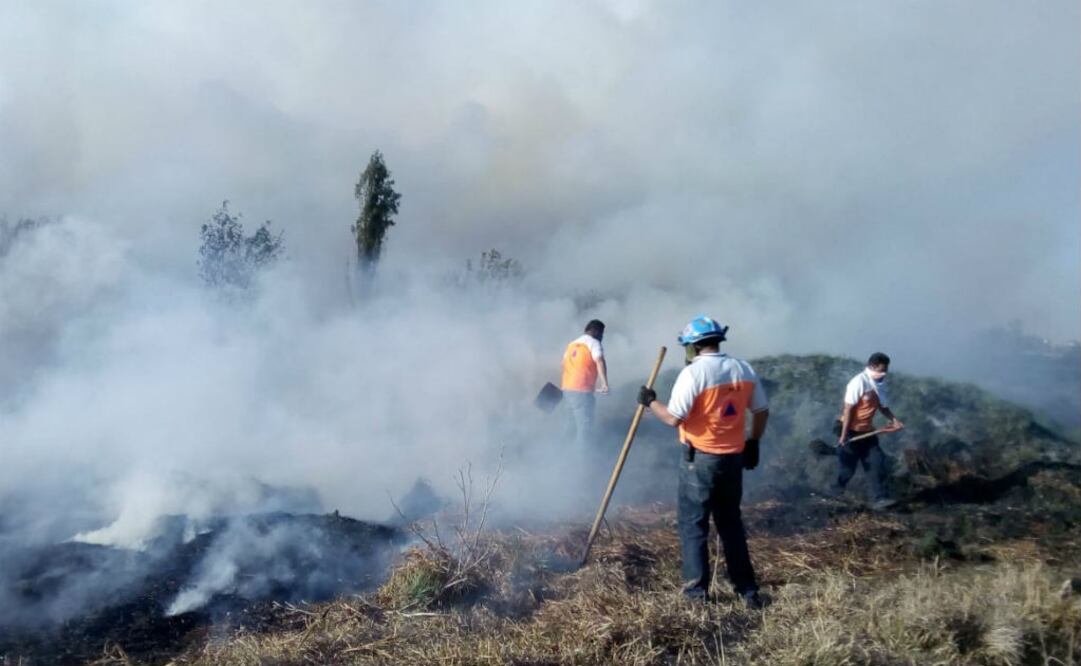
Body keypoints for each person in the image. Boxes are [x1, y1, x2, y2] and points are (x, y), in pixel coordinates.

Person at [637, 315, 769, 608]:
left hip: (700, 461)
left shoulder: (693, 374)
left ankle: (697, 596)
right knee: (731, 524)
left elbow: (673, 418)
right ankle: (747, 591)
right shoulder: (742, 368)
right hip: (733, 459)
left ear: (693, 347)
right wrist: (754, 442)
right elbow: (761, 410)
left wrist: (650, 402)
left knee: (693, 526)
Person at [835, 352, 904, 509]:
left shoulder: (880, 384)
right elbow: (848, 409)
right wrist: (843, 435)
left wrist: (894, 420)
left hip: (867, 432)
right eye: (881, 370)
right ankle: (836, 492)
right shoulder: (858, 382)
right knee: (847, 470)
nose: (884, 374)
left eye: (886, 370)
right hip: (850, 431)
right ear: (871, 367)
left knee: (877, 463)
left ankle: (880, 499)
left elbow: (882, 406)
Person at [561, 320, 610, 448]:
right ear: (596, 331)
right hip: (582, 392)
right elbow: (599, 360)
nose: (602, 337)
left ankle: (562, 453)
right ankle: (582, 461)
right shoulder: (594, 343)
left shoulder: (572, 344)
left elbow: (564, 364)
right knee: (584, 429)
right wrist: (605, 383)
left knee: (569, 426)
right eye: (602, 334)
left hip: (567, 390)